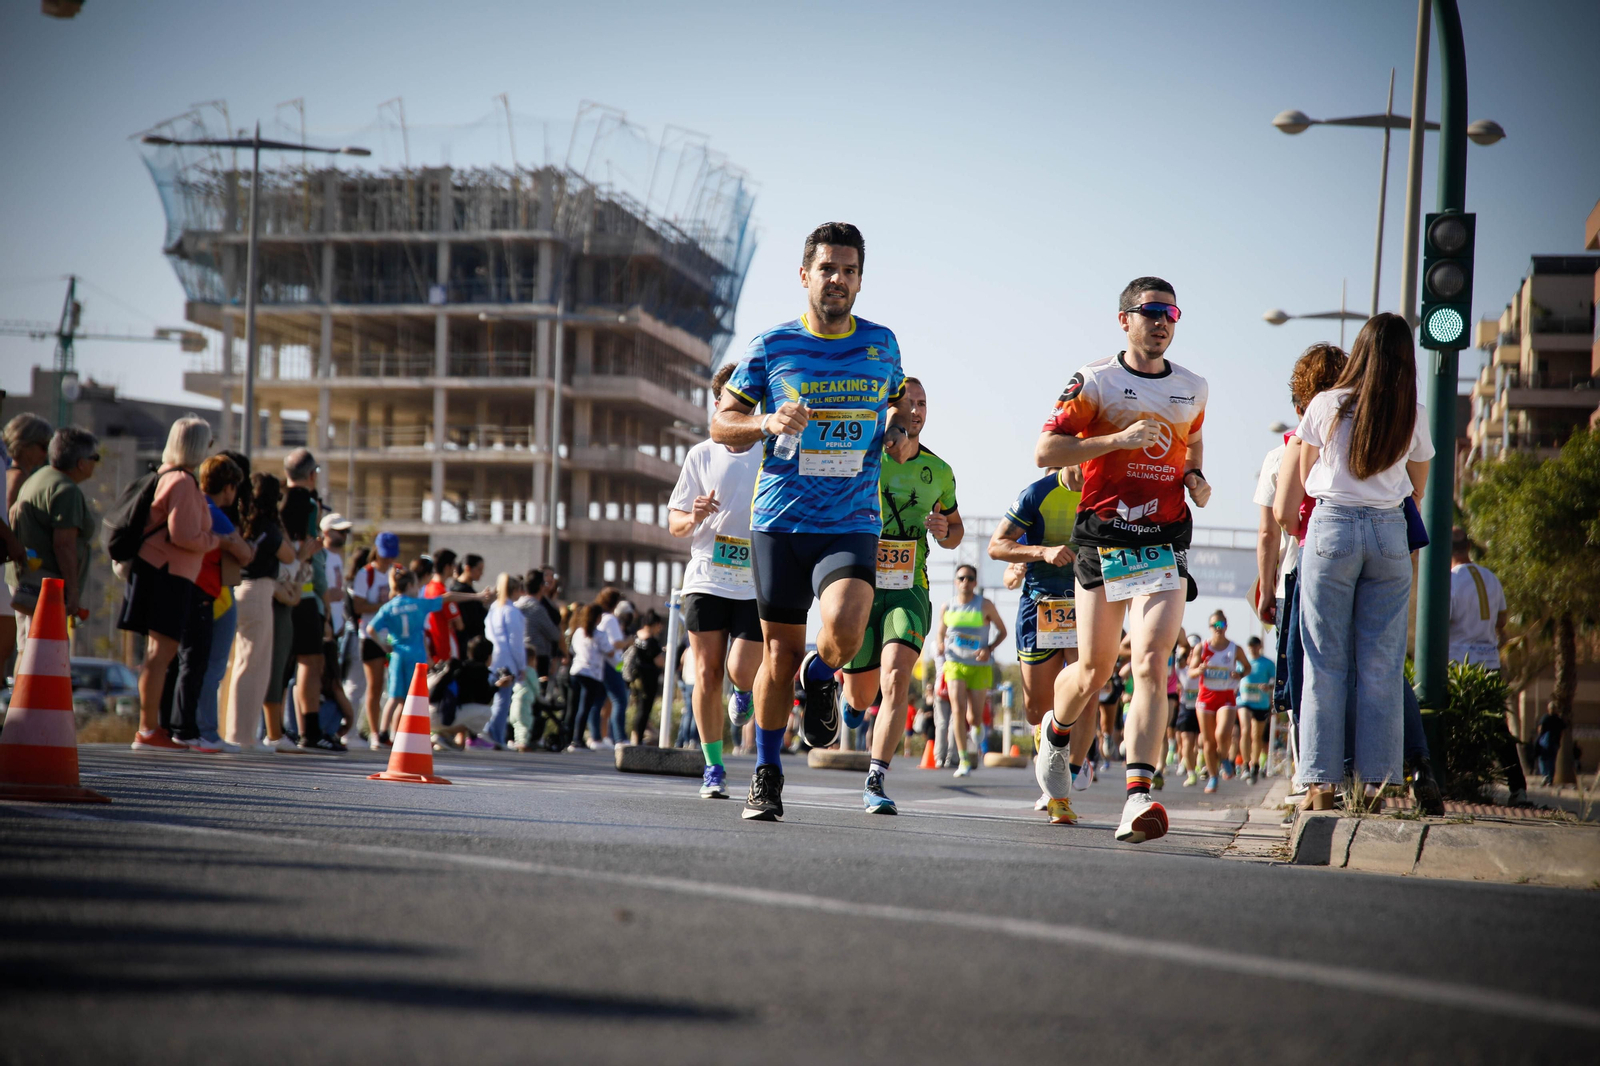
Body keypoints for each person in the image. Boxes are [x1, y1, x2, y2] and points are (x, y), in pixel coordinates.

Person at [711, 222, 910, 821]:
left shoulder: (881, 344)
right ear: (805, 275)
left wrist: (898, 429)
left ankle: (820, 673)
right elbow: (722, 424)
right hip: (781, 521)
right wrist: (765, 423)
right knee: (777, 654)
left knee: (847, 629)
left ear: (860, 280)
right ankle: (767, 773)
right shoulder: (772, 345)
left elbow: (897, 402)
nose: (837, 280)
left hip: (851, 517)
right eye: (827, 269)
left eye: (848, 271)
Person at [1033, 277, 1210, 843]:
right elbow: (1046, 450)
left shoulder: (1193, 387)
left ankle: (1137, 798)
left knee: (1152, 663)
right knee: (1093, 670)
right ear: (1124, 320)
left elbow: (1191, 444)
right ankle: (1055, 730)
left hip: (1163, 538)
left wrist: (1194, 477)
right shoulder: (1096, 381)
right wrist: (1114, 441)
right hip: (1105, 538)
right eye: (1150, 312)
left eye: (1170, 314)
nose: (1161, 322)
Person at [1276, 313, 1432, 811]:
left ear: (1360, 351)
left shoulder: (1326, 403)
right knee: (1382, 664)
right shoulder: (1412, 412)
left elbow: (1306, 474)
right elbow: (1419, 483)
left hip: (1333, 528)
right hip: (1389, 532)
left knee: (1324, 660)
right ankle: (1376, 787)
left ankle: (1320, 786)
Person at [840, 377, 963, 813]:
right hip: (861, 585)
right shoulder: (865, 458)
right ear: (891, 408)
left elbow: (956, 531)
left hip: (910, 588)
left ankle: (876, 778)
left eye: (922, 403)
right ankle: (849, 701)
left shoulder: (939, 471)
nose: (916, 410)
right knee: (861, 696)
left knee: (895, 678)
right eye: (908, 402)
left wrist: (945, 531)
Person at [667, 361, 765, 798]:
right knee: (706, 673)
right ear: (718, 402)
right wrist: (693, 516)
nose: (742, 405)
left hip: (754, 577)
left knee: (741, 668)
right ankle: (713, 766)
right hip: (707, 574)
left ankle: (743, 690)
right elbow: (675, 524)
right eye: (733, 397)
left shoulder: (772, 450)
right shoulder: (701, 454)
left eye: (749, 398)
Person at [122, 417, 221, 752]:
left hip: (160, 572)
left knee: (157, 655)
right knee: (160, 655)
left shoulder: (167, 475)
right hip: (168, 575)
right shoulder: (182, 481)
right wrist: (212, 540)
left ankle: (150, 727)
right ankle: (148, 729)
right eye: (207, 443)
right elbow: (183, 534)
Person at [1447, 528, 1528, 803]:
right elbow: (1502, 621)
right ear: (1469, 546)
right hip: (1489, 663)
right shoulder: (1491, 577)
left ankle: (1458, 784)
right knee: (1498, 727)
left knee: (1454, 723)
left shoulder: (1450, 581)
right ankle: (1518, 788)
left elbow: (1442, 620)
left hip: (1460, 665)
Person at [181, 454, 253, 752]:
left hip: (189, 588)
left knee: (191, 665)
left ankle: (191, 727)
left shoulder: (193, 504)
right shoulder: (214, 512)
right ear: (228, 487)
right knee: (212, 667)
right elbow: (245, 554)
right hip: (215, 594)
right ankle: (207, 731)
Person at [7, 427, 99, 645]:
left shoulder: (39, 477)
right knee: (43, 649)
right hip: (44, 586)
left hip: (26, 579)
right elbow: (64, 544)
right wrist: (73, 591)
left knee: (28, 647)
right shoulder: (66, 490)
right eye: (94, 457)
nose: (96, 463)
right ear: (81, 463)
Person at [366, 568, 483, 737]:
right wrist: (477, 596)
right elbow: (448, 597)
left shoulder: (389, 607)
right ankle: (400, 734)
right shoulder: (419, 604)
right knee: (412, 699)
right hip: (416, 657)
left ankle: (382, 733)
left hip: (398, 655)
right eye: (417, 586)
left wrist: (384, 645)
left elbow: (370, 629)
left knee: (395, 697)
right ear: (410, 585)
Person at [226, 472, 297, 750]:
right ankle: (242, 736)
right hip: (258, 593)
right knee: (253, 669)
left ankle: (236, 733)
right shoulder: (267, 527)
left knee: (241, 665)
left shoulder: (242, 521)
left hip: (239, 589)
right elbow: (289, 555)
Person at [280, 448, 339, 752]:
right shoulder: (309, 504)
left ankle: (276, 729)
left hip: (278, 587)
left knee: (282, 663)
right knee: (309, 660)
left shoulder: (278, 498)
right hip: (302, 593)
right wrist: (325, 602)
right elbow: (314, 555)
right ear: (312, 475)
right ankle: (309, 731)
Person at [933, 565, 1007, 778]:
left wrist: (989, 649)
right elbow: (940, 632)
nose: (965, 581)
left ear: (975, 582)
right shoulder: (948, 606)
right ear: (955, 581)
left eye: (969, 578)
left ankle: (976, 728)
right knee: (957, 710)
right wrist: (940, 644)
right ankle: (963, 759)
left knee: (973, 716)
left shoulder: (985, 605)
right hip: (955, 663)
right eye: (961, 578)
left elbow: (1003, 631)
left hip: (979, 666)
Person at [1188, 611, 1250, 793]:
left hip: (1226, 696)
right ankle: (1213, 777)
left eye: (1221, 625)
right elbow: (1190, 671)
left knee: (1222, 734)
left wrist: (1240, 674)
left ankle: (1223, 758)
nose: (1218, 628)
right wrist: (1199, 669)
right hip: (1206, 697)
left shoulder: (1235, 649)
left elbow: (1247, 667)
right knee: (1208, 742)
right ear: (1209, 627)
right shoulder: (1202, 647)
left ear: (1226, 626)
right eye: (1215, 625)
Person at [351, 532, 400, 747]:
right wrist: (385, 606)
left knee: (396, 688)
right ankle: (374, 733)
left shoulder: (397, 571)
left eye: (392, 555)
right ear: (377, 551)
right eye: (385, 554)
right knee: (375, 686)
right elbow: (358, 606)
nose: (389, 559)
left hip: (394, 636)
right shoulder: (366, 573)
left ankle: (389, 731)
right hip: (371, 636)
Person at [482, 572, 526, 749]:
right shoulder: (512, 612)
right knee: (503, 701)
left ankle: (488, 732)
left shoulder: (493, 609)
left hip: (492, 658)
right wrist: (522, 665)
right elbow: (516, 643)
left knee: (491, 699)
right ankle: (495, 735)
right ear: (514, 590)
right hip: (507, 661)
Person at [565, 603, 614, 751]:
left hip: (576, 671)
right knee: (584, 708)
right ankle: (577, 740)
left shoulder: (578, 632)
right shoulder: (599, 634)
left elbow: (572, 650)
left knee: (572, 707)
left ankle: (567, 738)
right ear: (598, 618)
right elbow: (610, 651)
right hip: (591, 674)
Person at [1238, 635, 1275, 783]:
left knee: (1256, 735)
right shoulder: (1242, 661)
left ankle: (1255, 764)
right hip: (1244, 701)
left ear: (1260, 647)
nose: (1252, 649)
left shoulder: (1267, 663)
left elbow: (1274, 680)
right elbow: (1236, 676)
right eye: (1250, 646)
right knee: (1245, 730)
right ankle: (1245, 764)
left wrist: (1268, 686)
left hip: (1261, 703)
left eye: (1255, 646)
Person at [626, 610, 666, 745]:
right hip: (648, 679)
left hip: (635, 678)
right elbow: (659, 661)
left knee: (639, 709)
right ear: (654, 624)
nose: (660, 628)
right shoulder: (651, 642)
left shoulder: (636, 637)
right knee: (644, 709)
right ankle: (638, 739)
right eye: (659, 625)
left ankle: (635, 736)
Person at [425, 548, 464, 663]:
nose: (455, 568)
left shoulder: (428, 587)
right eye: (454, 564)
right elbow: (459, 625)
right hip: (445, 649)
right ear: (447, 567)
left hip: (433, 646)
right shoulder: (442, 592)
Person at [451, 553, 488, 648]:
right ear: (467, 568)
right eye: (479, 569)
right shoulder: (459, 591)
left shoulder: (468, 590)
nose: (481, 573)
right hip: (465, 643)